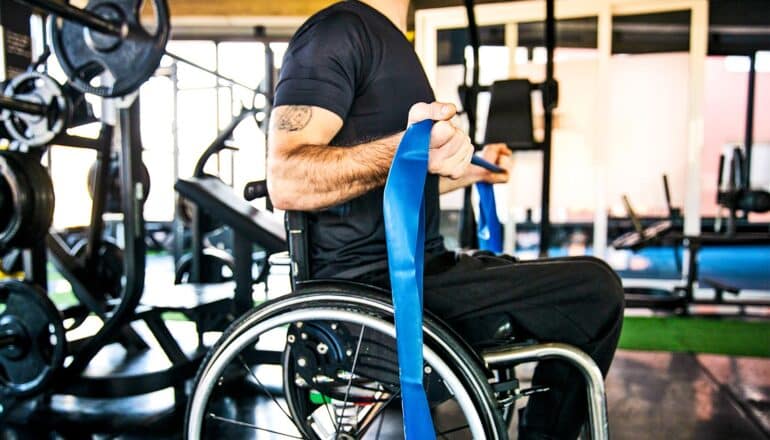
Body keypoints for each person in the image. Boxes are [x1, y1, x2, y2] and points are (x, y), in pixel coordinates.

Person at [267, 1, 624, 438]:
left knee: (575, 285)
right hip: (374, 289)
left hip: (427, 269)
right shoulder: (337, 31)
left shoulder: (393, 39)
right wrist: (406, 147)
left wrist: (472, 168)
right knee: (593, 290)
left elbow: (397, 177)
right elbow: (286, 180)